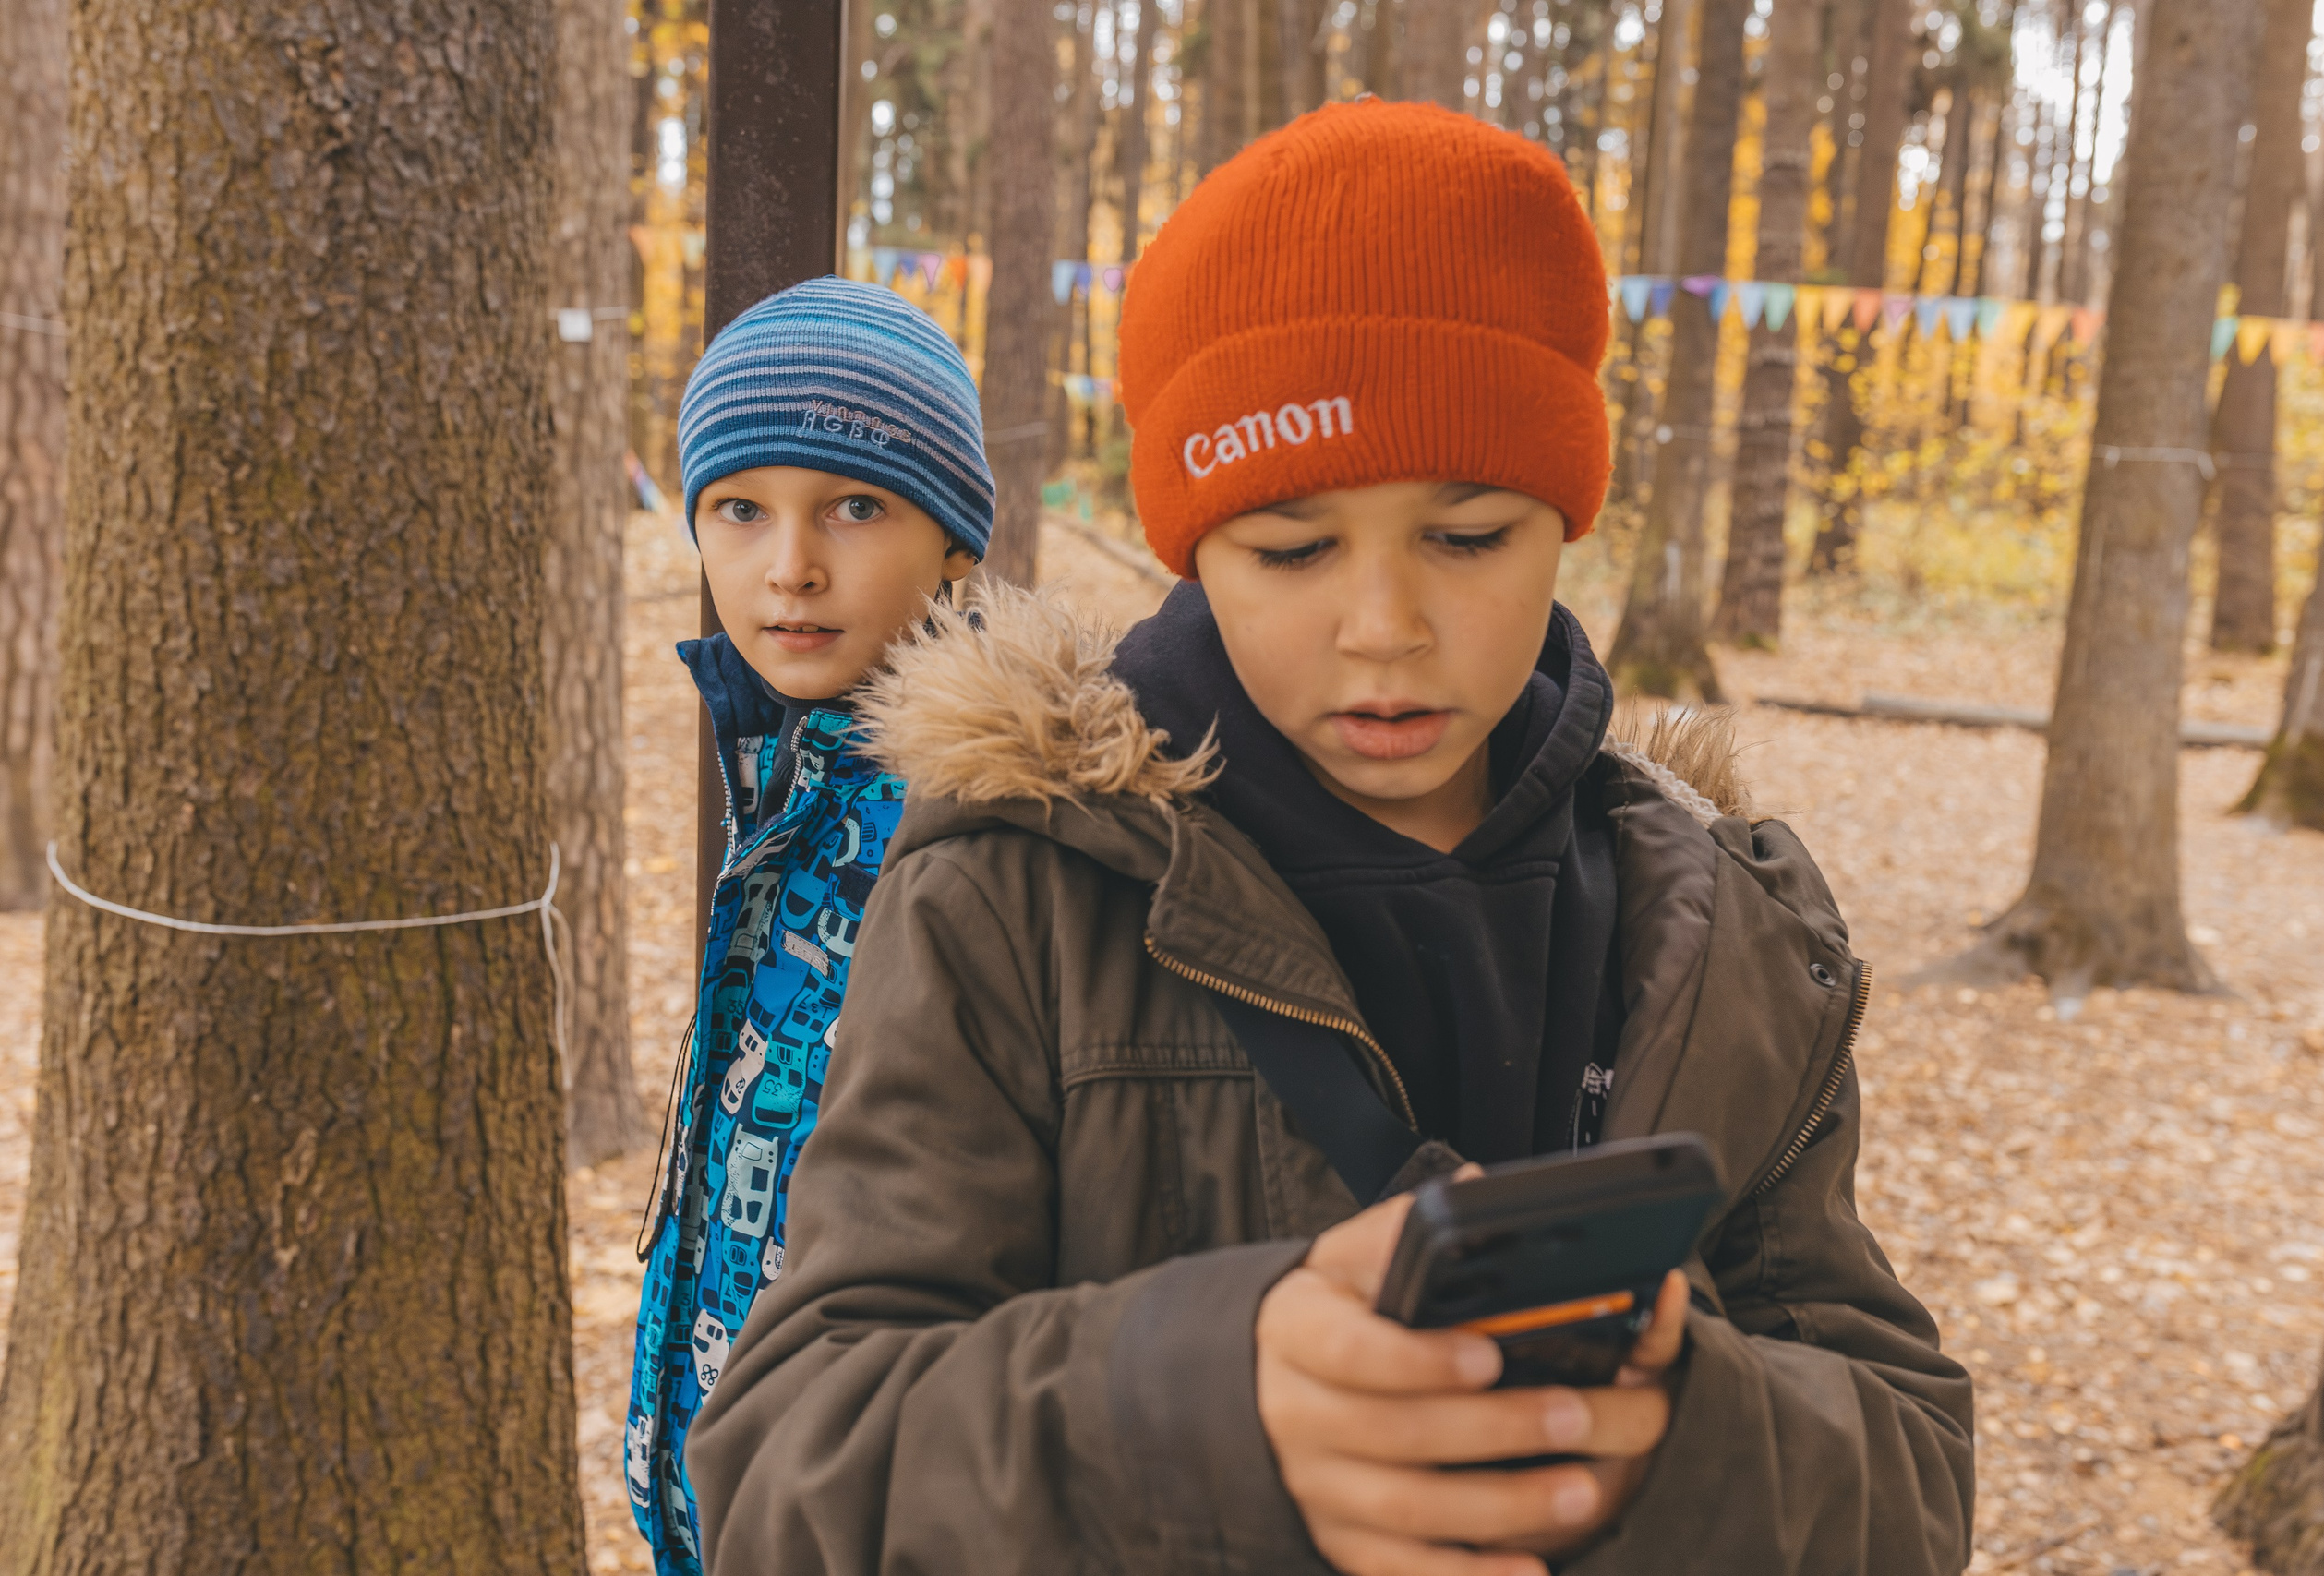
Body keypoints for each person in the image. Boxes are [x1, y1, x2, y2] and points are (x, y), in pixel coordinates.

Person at [688, 102, 1974, 1575]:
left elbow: (1912, 1474)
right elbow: (792, 1466)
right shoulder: (1016, 881)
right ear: (1192, 548)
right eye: (1292, 549)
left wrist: (1679, 1427)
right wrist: (1215, 1413)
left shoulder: (1730, 934)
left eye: (1470, 534)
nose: (1384, 630)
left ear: (1568, 519)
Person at [622, 275, 993, 1576]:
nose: (790, 566)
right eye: (740, 509)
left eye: (854, 505)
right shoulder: (793, 781)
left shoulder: (985, 832)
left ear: (955, 543)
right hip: (733, 1504)